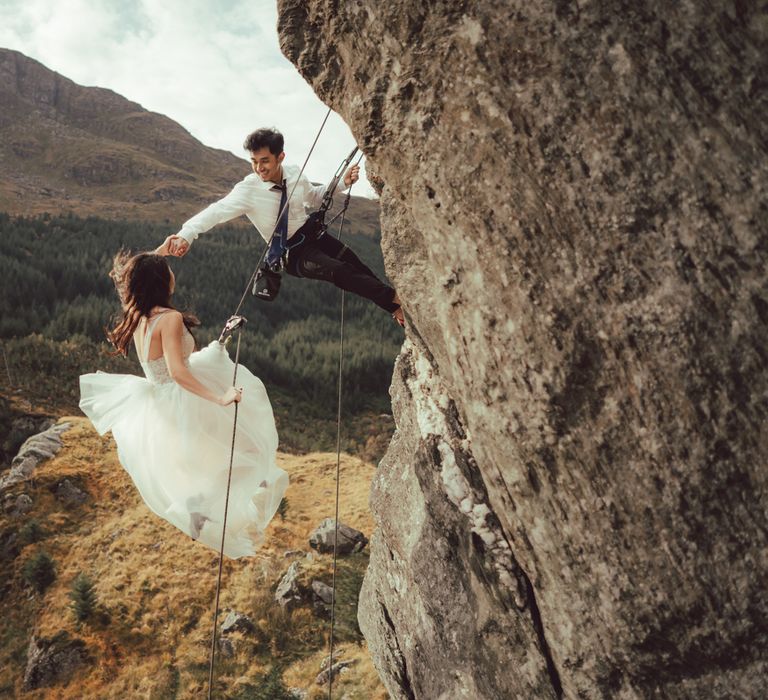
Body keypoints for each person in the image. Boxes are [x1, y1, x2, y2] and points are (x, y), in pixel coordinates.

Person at [79, 247, 288, 558]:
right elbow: (178, 372)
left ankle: (200, 503)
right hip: (182, 399)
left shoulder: (140, 318)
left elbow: (170, 364)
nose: (173, 274)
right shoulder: (170, 318)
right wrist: (220, 397)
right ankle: (199, 504)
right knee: (249, 450)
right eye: (168, 270)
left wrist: (221, 341)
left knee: (225, 458)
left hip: (161, 402)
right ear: (162, 281)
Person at [159, 127, 405, 326]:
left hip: (313, 235)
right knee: (340, 271)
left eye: (264, 161)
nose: (259, 168)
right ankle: (399, 301)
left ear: (281, 157)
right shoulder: (248, 189)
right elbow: (216, 210)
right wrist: (186, 234)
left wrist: (342, 182)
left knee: (354, 262)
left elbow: (314, 197)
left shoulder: (294, 173)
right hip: (292, 253)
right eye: (254, 162)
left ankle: (395, 308)